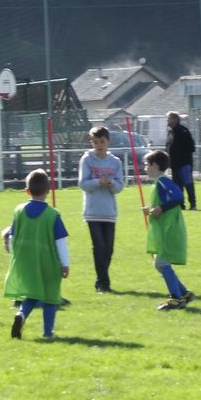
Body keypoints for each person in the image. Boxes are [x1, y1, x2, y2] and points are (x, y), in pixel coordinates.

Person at [4, 169, 70, 339]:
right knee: (50, 297)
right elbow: (60, 241)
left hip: (26, 261)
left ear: (27, 191)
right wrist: (65, 263)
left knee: (32, 294)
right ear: (48, 191)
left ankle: (21, 315)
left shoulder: (18, 211)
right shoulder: (52, 215)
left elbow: (12, 236)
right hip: (48, 262)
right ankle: (48, 333)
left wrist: (13, 254)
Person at [142, 150, 193, 310]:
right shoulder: (159, 183)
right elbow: (163, 203)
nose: (145, 168)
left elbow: (178, 197)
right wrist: (151, 209)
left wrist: (161, 208)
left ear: (155, 165)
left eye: (146, 165)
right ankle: (184, 293)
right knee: (159, 264)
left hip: (169, 229)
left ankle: (177, 298)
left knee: (161, 263)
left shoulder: (163, 182)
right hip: (165, 229)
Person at [77, 126, 123, 293]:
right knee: (99, 246)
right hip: (93, 211)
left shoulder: (115, 162)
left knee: (109, 248)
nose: (99, 145)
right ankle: (103, 283)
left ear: (108, 141)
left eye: (102, 141)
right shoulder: (87, 159)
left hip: (109, 212)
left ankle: (101, 279)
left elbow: (119, 186)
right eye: (95, 142)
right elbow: (83, 184)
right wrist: (98, 182)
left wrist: (110, 184)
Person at [165, 111, 197, 210]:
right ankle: (180, 204)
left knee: (188, 184)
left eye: (169, 118)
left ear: (175, 119)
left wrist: (181, 154)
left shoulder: (183, 131)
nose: (168, 120)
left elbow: (191, 147)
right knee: (177, 187)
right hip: (174, 164)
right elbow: (168, 146)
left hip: (184, 164)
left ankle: (193, 204)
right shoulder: (170, 132)